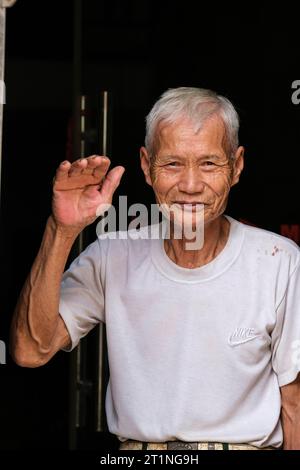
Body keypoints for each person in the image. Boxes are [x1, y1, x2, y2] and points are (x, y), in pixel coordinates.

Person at [10, 87, 300, 451]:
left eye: (209, 163)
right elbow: (30, 350)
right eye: (172, 164)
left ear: (236, 166)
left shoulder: (279, 261)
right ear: (147, 167)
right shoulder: (112, 255)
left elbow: (295, 405)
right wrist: (61, 230)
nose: (190, 185)